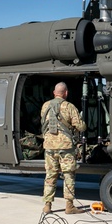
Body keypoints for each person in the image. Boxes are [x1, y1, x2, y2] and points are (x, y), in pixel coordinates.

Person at [40, 82, 87, 215]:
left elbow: (43, 123)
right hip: (65, 147)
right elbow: (81, 126)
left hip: (49, 146)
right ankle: (69, 206)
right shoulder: (69, 106)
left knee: (50, 175)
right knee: (68, 175)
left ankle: (47, 205)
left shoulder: (45, 106)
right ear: (66, 93)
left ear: (54, 93)